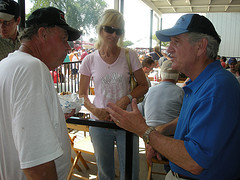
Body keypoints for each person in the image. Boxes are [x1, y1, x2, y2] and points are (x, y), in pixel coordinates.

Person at [107, 13, 240, 180]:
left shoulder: (218, 87)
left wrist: (145, 131)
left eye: (176, 42)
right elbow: (195, 119)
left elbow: (194, 161)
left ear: (200, 47)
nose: (168, 49)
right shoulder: (201, 82)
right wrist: (163, 130)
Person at [0, 7, 81, 179]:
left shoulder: (7, 65)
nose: (68, 47)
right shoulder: (32, 68)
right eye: (64, 39)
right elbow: (37, 165)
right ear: (43, 34)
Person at [79, 9, 148, 180]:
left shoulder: (129, 55)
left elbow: (143, 85)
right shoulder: (89, 60)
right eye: (109, 29)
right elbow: (82, 94)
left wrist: (126, 99)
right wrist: (95, 111)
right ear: (100, 30)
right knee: (104, 172)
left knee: (130, 171)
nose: (114, 34)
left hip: (126, 119)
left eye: (119, 31)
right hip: (100, 123)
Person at [138, 60, 184, 127]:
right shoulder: (181, 93)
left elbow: (139, 110)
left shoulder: (150, 91)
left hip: (149, 133)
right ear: (178, 77)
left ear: (160, 75)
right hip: (170, 135)